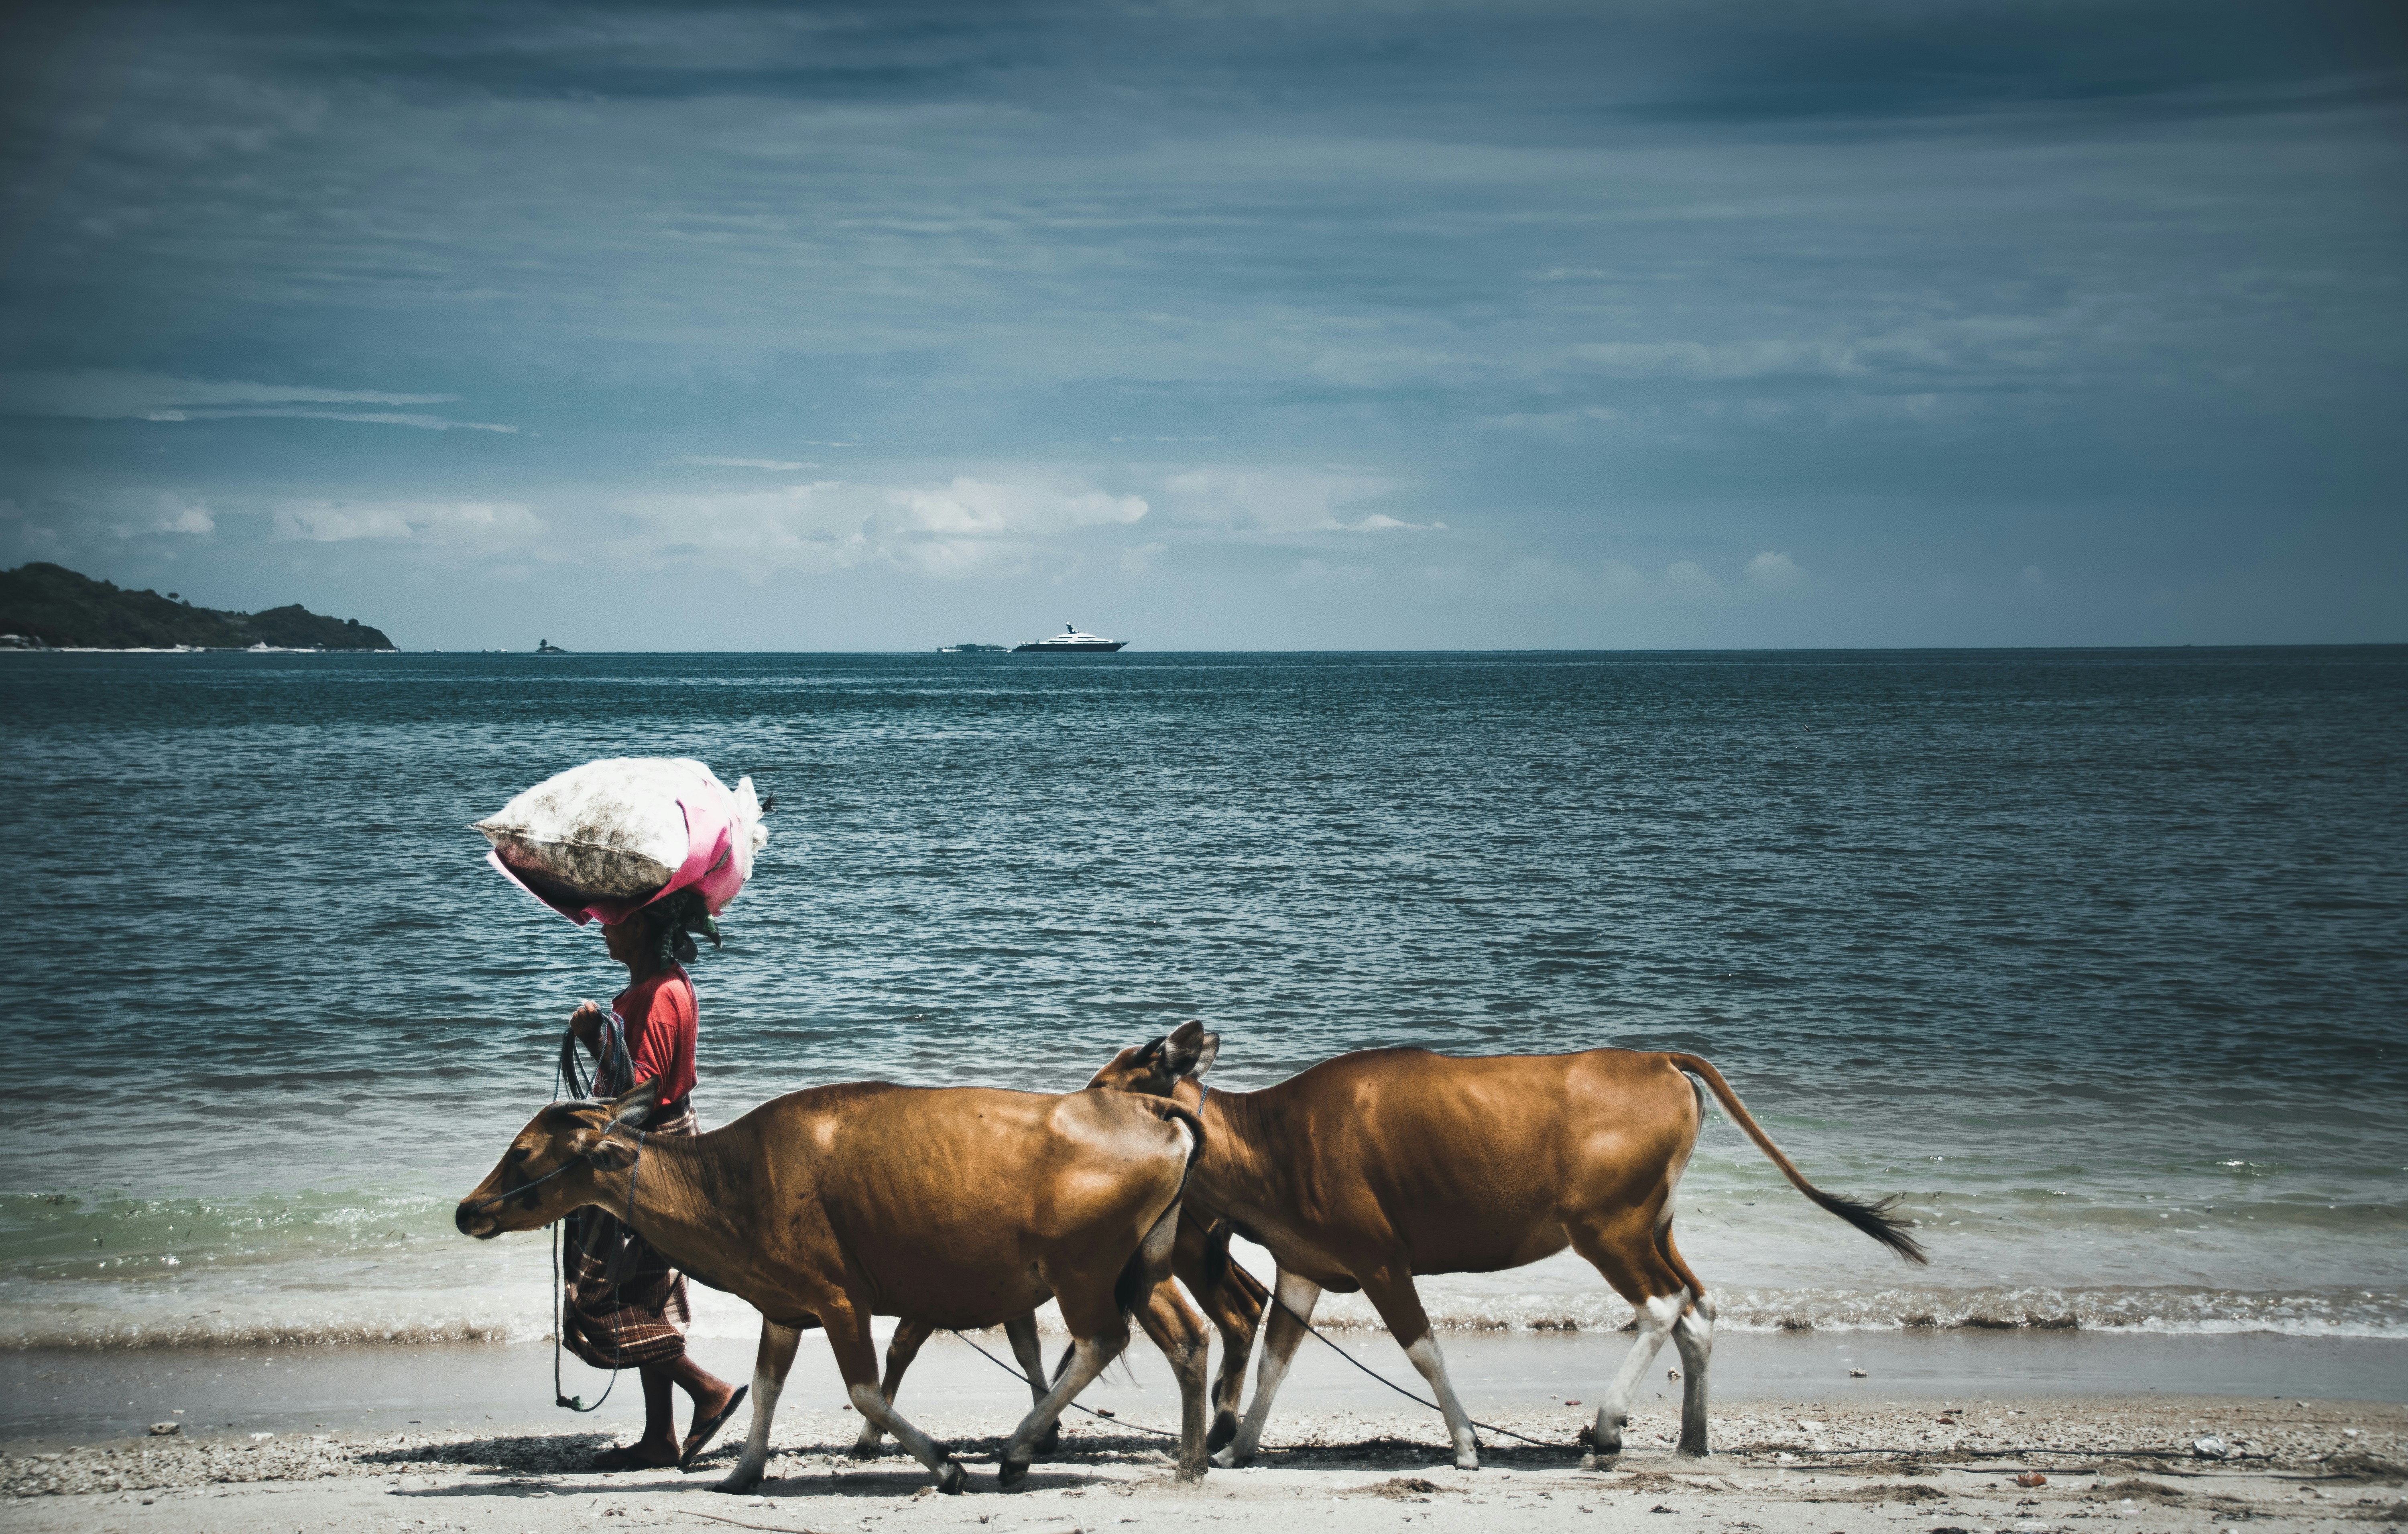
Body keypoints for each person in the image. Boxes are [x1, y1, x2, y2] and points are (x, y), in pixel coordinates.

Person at [562, 888, 746, 1471]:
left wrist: (595, 1034)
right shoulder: (662, 984)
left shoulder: (661, 994)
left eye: (612, 921)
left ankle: (708, 1389)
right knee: (644, 1293)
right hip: (664, 1144)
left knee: (597, 1298)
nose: (602, 930)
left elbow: (639, 1093)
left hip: (650, 1155)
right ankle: (660, 1437)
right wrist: (603, 1032)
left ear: (640, 927)